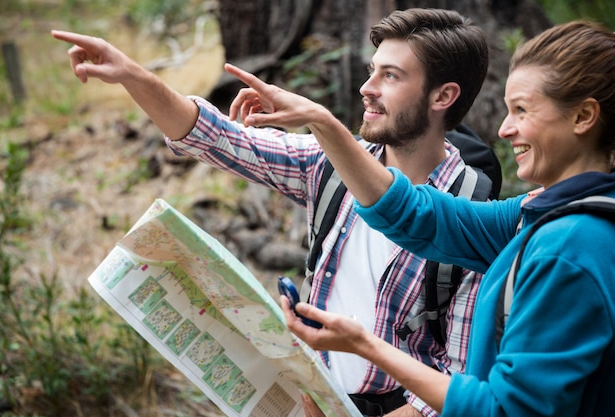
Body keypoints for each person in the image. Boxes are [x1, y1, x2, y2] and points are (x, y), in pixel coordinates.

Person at [52, 8, 492, 416]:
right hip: (309, 395)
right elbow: (215, 137)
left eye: (391, 76)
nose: (366, 87)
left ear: (443, 96)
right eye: (371, 70)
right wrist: (132, 75)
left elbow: (455, 383)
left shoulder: (474, 218)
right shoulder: (330, 165)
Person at [226, 19, 615, 416]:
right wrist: (322, 123)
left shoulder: (569, 249)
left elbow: (504, 410)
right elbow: (419, 216)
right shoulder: (543, 215)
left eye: (521, 110)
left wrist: (364, 346)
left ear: (583, 117)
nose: (503, 130)